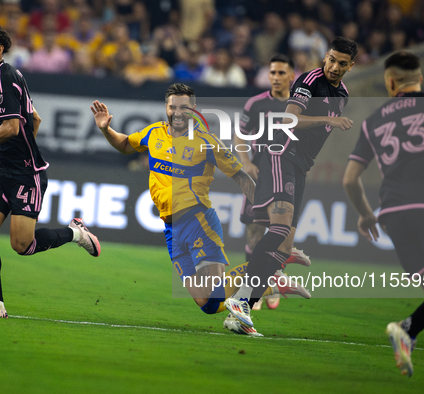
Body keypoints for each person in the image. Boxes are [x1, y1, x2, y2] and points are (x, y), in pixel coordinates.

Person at [91, 83, 304, 336]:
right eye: (173, 106)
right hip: (171, 228)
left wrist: (265, 212)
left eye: (184, 107)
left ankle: (270, 271)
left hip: (198, 221)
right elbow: (126, 144)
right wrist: (106, 130)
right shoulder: (154, 133)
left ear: (193, 109)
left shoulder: (206, 142)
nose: (178, 112)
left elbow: (241, 177)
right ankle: (268, 275)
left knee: (214, 290)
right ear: (166, 107)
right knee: (208, 303)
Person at [343, 51, 424, 387]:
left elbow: (350, 179)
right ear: (420, 78)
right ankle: (407, 329)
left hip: (392, 216)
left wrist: (365, 214)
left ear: (389, 81)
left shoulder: (373, 121)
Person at [0, 24, 100, 319]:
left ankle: (75, 233)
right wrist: (16, 149)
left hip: (25, 174)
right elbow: (34, 119)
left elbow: (12, 127)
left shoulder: (5, 78)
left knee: (22, 245)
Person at [224, 37, 358, 330]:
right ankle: (241, 296)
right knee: (278, 228)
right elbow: (289, 118)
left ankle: (242, 308)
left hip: (301, 165)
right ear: (326, 56)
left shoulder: (343, 93)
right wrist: (329, 120)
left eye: (342, 63)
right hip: (281, 153)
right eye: (331, 60)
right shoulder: (310, 80)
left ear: (351, 66)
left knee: (283, 247)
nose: (334, 67)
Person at [234, 54, 312, 311]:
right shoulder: (255, 104)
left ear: (292, 76)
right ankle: (256, 286)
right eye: (272, 73)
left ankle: (270, 283)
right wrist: (246, 162)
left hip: (287, 175)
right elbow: (240, 135)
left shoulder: (300, 107)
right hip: (259, 175)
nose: (276, 77)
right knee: (255, 231)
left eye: (281, 73)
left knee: (282, 234)